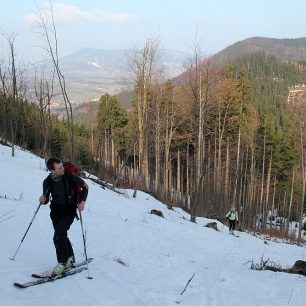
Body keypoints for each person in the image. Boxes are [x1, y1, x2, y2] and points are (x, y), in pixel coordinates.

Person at [39, 157, 89, 276]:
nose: (62, 169)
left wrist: (82, 202)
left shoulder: (69, 176)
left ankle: (61, 263)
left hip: (69, 210)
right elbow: (45, 198)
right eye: (59, 168)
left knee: (58, 235)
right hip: (55, 212)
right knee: (62, 234)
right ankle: (70, 258)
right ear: (52, 170)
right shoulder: (48, 181)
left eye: (62, 166)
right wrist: (43, 199)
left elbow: (86, 187)